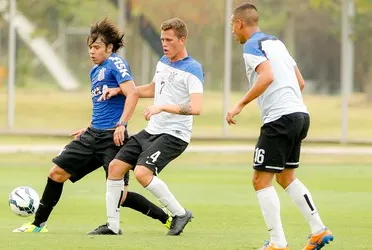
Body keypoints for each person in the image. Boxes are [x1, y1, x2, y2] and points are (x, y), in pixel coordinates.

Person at [13, 17, 171, 233]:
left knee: (121, 196)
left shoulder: (116, 63)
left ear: (109, 47)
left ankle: (167, 218)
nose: (92, 51)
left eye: (96, 47)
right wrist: (88, 127)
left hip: (113, 139)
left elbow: (132, 93)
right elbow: (101, 107)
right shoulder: (94, 71)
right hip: (92, 136)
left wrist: (122, 125)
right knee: (56, 173)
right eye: (90, 47)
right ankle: (38, 225)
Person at [226, 4, 334, 250]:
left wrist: (240, 104)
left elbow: (267, 77)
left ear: (240, 24)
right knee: (286, 177)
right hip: (300, 115)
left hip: (280, 119)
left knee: (260, 181)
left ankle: (277, 243)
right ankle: (318, 229)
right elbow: (300, 82)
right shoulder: (278, 43)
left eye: (233, 26)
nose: (233, 32)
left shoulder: (253, 46)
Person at [88, 17, 204, 236]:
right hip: (152, 131)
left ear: (182, 40)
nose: (164, 44)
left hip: (174, 134)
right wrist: (119, 90)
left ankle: (180, 213)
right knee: (115, 167)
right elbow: (152, 89)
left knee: (142, 172)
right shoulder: (163, 61)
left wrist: (162, 108)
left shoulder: (193, 69)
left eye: (169, 40)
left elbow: (196, 107)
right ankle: (112, 226)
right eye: (162, 39)